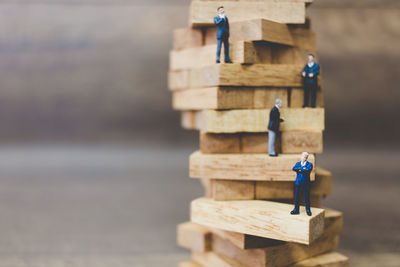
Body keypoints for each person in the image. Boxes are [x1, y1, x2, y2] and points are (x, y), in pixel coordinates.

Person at [290, 152, 313, 216]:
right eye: (303, 156)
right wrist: (302, 169)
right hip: (298, 182)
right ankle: (296, 209)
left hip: (306, 183)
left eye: (305, 157)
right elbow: (294, 168)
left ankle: (308, 210)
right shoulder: (298, 163)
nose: (304, 158)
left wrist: (300, 169)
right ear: (301, 157)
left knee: (307, 197)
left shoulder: (309, 164)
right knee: (297, 197)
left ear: (307, 158)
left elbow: (308, 170)